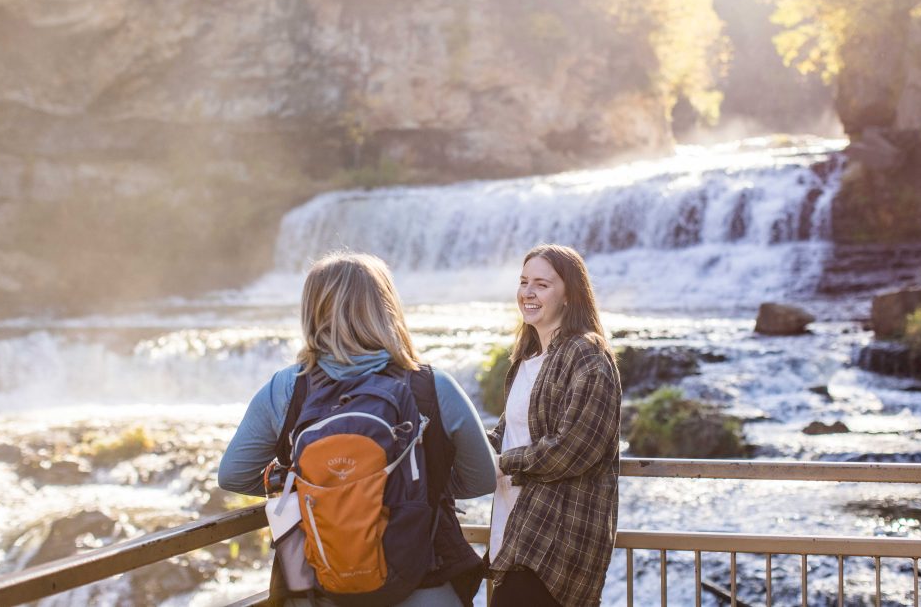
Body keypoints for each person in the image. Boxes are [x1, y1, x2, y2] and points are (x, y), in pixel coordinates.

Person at [219, 251, 496, 607]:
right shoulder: (433, 386)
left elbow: (233, 475)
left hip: (317, 585)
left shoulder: (286, 388)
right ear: (386, 307)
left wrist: (325, 487)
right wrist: (409, 486)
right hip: (426, 580)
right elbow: (482, 480)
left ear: (312, 311)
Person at [488, 244, 621, 607]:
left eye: (542, 285)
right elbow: (509, 432)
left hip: (555, 540)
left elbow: (575, 448)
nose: (527, 293)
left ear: (569, 295)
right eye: (523, 281)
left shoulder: (586, 354)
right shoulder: (529, 357)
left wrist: (504, 463)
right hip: (517, 528)